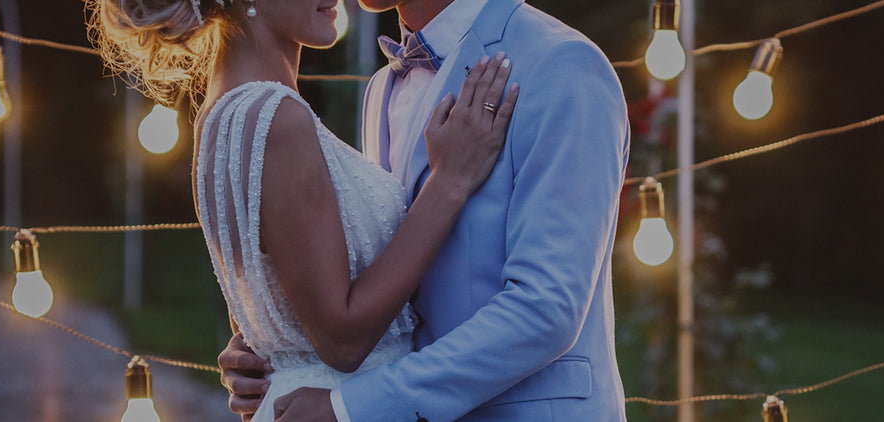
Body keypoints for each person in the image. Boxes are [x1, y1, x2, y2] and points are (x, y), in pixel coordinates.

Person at [90, 0, 521, 421]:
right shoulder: (276, 117)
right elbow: (344, 340)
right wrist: (449, 182)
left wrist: (259, 353)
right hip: (332, 406)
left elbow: (269, 300)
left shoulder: (219, 114)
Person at [216, 0, 631, 421]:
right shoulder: (381, 88)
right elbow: (388, 279)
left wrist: (350, 407)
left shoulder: (561, 63)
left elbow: (546, 309)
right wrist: (277, 347)